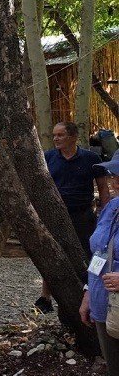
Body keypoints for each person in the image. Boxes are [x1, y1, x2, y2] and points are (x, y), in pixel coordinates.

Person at [37, 121, 112, 313]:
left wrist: (104, 214)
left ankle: (89, 293)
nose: (55, 139)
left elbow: (103, 188)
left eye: (60, 135)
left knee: (88, 254)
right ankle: (45, 296)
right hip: (55, 214)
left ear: (72, 137)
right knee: (52, 252)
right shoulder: (48, 157)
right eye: (54, 135)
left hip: (83, 214)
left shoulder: (91, 158)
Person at [80, 151, 119, 376]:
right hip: (104, 302)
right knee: (115, 370)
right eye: (114, 174)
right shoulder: (111, 207)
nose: (114, 181)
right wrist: (88, 293)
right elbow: (100, 252)